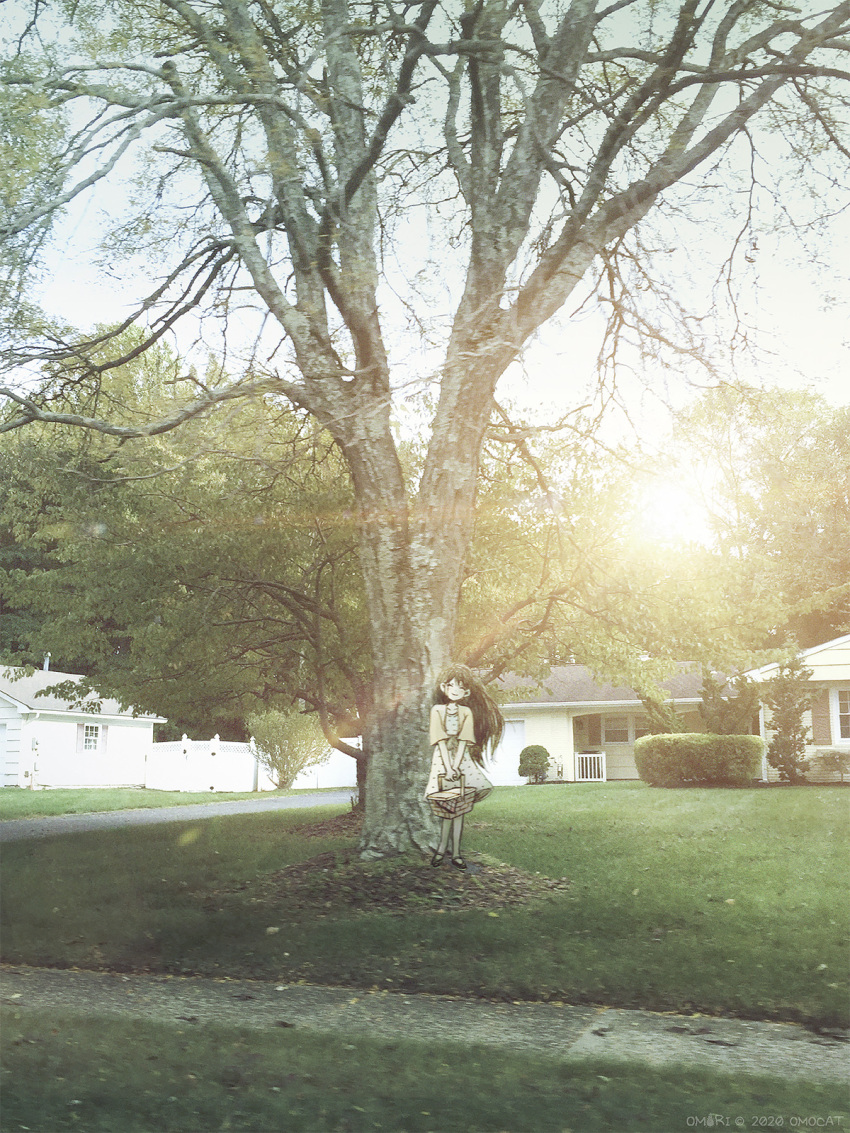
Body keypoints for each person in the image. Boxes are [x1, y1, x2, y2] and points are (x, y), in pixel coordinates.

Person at [425, 664, 504, 870]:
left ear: (466, 692)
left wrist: (456, 765)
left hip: (462, 761)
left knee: (459, 806)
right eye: (451, 686)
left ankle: (457, 852)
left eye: (460, 688)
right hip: (442, 760)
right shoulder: (437, 711)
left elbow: (463, 740)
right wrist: (448, 766)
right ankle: (441, 849)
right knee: (444, 806)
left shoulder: (466, 713)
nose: (455, 690)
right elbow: (439, 739)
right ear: (444, 687)